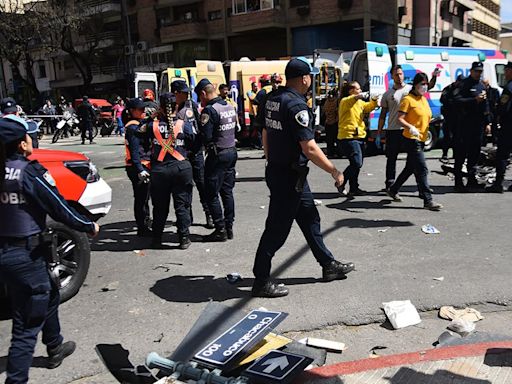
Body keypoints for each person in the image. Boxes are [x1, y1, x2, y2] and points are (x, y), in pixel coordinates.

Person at [0, 117, 100, 383]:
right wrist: (87, 225)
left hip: (7, 255)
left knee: (50, 292)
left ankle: (55, 345)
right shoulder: (26, 171)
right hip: (25, 255)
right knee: (25, 328)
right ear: (22, 144)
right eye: (29, 137)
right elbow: (57, 205)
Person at [251, 57, 355, 298]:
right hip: (288, 177)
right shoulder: (296, 106)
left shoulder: (272, 99)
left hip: (285, 172)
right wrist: (334, 170)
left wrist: (270, 158)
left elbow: (266, 132)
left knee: (310, 218)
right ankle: (261, 280)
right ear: (304, 78)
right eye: (311, 77)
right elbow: (309, 147)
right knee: (276, 230)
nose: (311, 81)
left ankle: (328, 265)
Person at [135, 93, 195, 249]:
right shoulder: (184, 124)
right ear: (177, 106)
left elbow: (137, 132)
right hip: (181, 168)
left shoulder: (152, 125)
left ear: (159, 107)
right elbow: (195, 142)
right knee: (182, 205)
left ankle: (157, 239)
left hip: (160, 170)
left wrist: (151, 117)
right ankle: (183, 238)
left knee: (160, 207)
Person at [386, 73, 443, 211]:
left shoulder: (422, 98)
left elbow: (424, 115)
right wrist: (410, 127)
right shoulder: (408, 100)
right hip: (412, 139)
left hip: (422, 138)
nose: (424, 87)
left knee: (410, 168)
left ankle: (393, 189)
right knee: (422, 169)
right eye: (421, 84)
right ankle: (427, 200)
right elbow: (400, 118)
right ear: (415, 85)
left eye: (425, 84)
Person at [377, 65, 439, 189]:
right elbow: (383, 114)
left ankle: (422, 186)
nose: (399, 76)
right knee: (392, 158)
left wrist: (434, 76)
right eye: (396, 74)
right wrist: (379, 133)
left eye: (400, 74)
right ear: (392, 76)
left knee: (414, 161)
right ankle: (390, 184)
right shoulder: (388, 94)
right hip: (393, 129)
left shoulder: (411, 89)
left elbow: (428, 86)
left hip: (409, 131)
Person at [195, 78, 238, 242]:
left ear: (203, 93)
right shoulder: (228, 106)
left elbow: (205, 136)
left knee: (211, 193)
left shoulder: (209, 110)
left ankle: (220, 229)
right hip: (231, 152)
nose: (201, 100)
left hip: (217, 154)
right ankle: (229, 227)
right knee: (227, 191)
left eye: (200, 97)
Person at [172, 79, 214, 229]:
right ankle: (186, 217)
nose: (186, 95)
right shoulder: (170, 108)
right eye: (183, 92)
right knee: (184, 186)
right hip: (180, 153)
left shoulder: (192, 105)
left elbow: (199, 125)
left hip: (195, 151)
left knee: (202, 184)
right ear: (176, 93)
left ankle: (209, 214)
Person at [452, 62, 491, 192]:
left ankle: (471, 180)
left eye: (480, 71)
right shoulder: (463, 84)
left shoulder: (481, 86)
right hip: (464, 125)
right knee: (461, 154)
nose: (478, 73)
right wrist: (474, 100)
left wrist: (488, 122)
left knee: (474, 154)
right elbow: (456, 101)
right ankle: (458, 182)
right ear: (471, 71)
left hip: (478, 126)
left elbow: (486, 105)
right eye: (476, 71)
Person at [336, 81, 379, 196]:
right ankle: (341, 181)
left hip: (359, 136)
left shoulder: (359, 103)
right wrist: (359, 96)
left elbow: (368, 107)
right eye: (358, 89)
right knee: (357, 163)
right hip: (348, 137)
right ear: (351, 91)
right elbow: (352, 100)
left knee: (355, 164)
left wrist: (374, 100)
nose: (360, 91)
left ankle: (354, 188)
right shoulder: (345, 101)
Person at [124, 97, 152, 236]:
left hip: (143, 165)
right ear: (132, 111)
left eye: (144, 108)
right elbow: (134, 151)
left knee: (145, 197)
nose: (143, 111)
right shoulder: (132, 128)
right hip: (137, 166)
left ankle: (146, 222)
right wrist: (140, 170)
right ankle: (142, 227)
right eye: (140, 109)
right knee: (141, 198)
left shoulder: (139, 123)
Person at [486, 62, 512, 193]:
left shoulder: (509, 88)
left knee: (502, 155)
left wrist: (496, 111)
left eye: (506, 71)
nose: (505, 74)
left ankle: (498, 184)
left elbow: (504, 107)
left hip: (508, 126)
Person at [439, 75, 464, 161]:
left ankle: (455, 154)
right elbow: (442, 99)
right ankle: (445, 154)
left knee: (457, 137)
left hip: (458, 117)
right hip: (448, 116)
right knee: (447, 136)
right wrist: (452, 101)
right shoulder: (449, 88)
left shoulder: (462, 89)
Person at [482, 78, 500, 145]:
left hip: (493, 112)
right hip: (485, 112)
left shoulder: (494, 91)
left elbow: (497, 102)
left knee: (494, 128)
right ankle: (483, 142)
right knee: (484, 128)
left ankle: (495, 141)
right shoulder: (481, 91)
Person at [322, 88, 339, 158]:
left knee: (329, 140)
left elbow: (324, 111)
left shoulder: (326, 102)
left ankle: (330, 153)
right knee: (337, 139)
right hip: (334, 122)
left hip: (328, 122)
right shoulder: (336, 102)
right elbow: (337, 112)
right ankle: (338, 152)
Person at [247, 81, 262, 149]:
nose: (256, 87)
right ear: (252, 87)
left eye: (257, 86)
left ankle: (258, 143)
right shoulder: (250, 92)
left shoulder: (259, 93)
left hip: (258, 113)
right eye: (255, 86)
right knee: (253, 129)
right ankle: (251, 142)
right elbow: (252, 99)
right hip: (252, 114)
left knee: (258, 129)